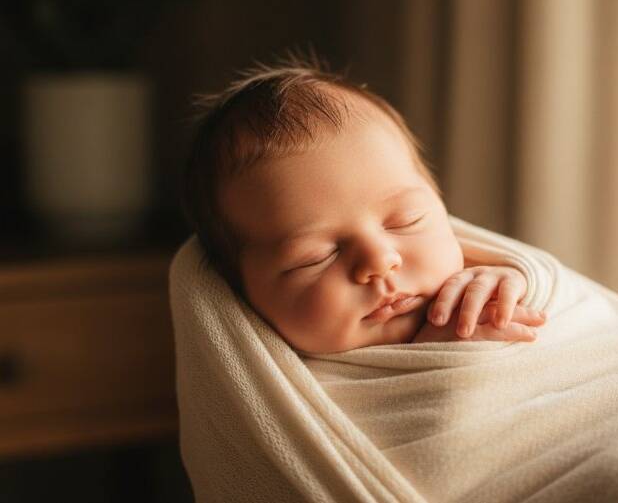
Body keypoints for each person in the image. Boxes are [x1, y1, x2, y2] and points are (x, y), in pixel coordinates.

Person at [181, 55, 546, 354]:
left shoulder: (488, 288)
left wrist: (511, 281)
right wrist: (436, 363)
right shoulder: (283, 399)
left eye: (407, 220)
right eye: (315, 257)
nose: (379, 261)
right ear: (242, 297)